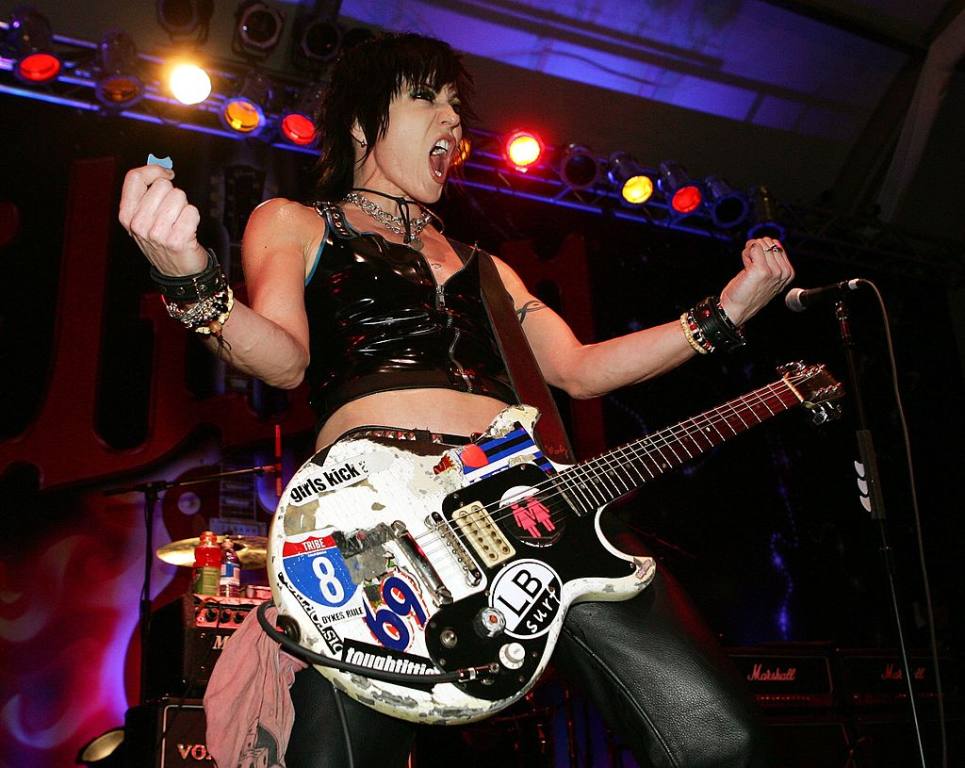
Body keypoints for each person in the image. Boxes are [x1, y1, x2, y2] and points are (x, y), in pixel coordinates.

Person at [119, 33, 793, 768]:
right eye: (424, 97)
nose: (451, 122)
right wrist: (190, 281)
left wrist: (720, 316)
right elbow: (282, 358)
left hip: (534, 508)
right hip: (380, 525)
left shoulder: (489, 269)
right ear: (359, 122)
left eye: (455, 106)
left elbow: (579, 369)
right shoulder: (295, 221)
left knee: (720, 740)